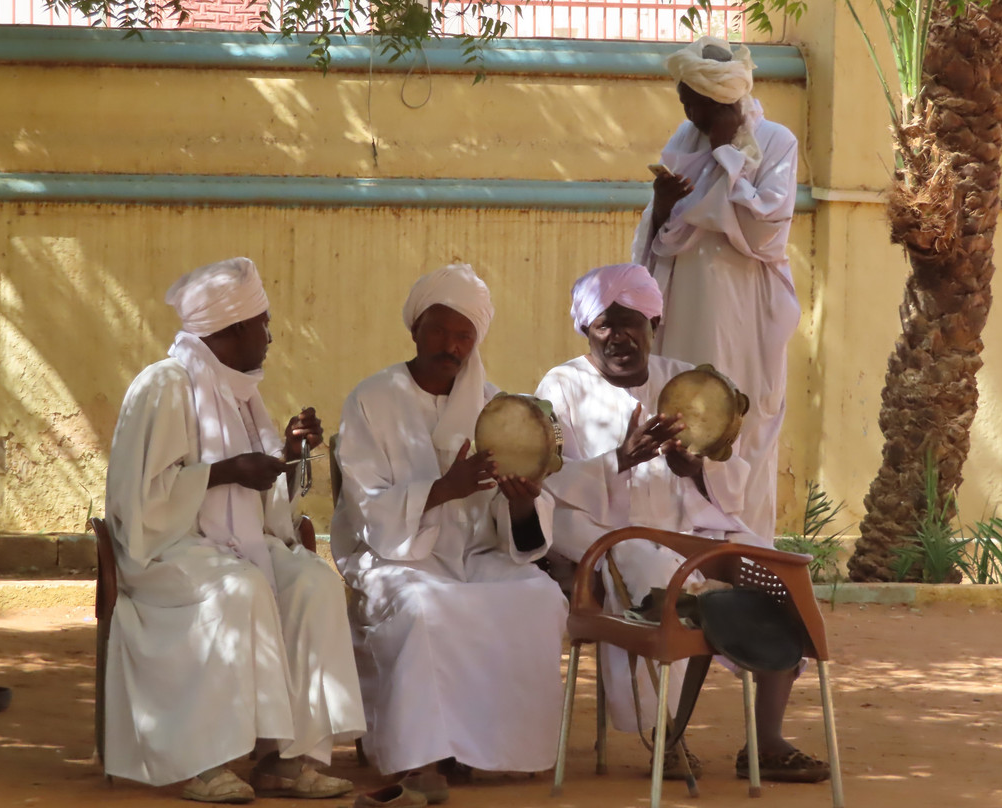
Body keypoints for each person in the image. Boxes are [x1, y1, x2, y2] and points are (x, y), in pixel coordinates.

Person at [536, 262, 829, 784]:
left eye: (631, 322)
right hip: (602, 532)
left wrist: (693, 468)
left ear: (654, 323)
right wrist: (619, 460)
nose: (619, 336)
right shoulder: (562, 385)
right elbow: (549, 478)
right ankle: (665, 734)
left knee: (777, 570)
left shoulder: (688, 381)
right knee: (645, 564)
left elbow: (729, 472)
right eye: (605, 324)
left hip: (691, 528)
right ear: (586, 329)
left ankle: (766, 740)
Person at [103, 257, 366, 803]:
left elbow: (262, 503)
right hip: (166, 551)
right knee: (240, 588)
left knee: (314, 583)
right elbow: (141, 502)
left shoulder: (241, 392)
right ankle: (207, 763)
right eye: (263, 324)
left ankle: (286, 761)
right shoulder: (164, 385)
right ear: (235, 327)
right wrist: (225, 472)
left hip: (237, 544)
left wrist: (288, 454)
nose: (270, 336)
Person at [330, 263, 568, 786]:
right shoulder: (371, 399)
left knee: (540, 598)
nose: (451, 345)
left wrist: (521, 505)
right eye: (438, 330)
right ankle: (423, 758)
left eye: (464, 335)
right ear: (415, 328)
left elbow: (517, 516)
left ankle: (498, 750)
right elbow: (366, 505)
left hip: (478, 555)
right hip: (397, 556)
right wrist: (443, 489)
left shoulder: (498, 407)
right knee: (422, 607)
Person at [632, 35, 801, 544]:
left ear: (720, 100)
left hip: (744, 306)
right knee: (682, 417)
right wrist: (663, 204)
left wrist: (728, 153)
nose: (686, 112)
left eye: (694, 102)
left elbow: (765, 231)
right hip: (685, 300)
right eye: (683, 100)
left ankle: (743, 553)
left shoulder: (775, 141)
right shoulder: (685, 138)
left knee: (740, 424)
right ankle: (677, 553)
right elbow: (662, 231)